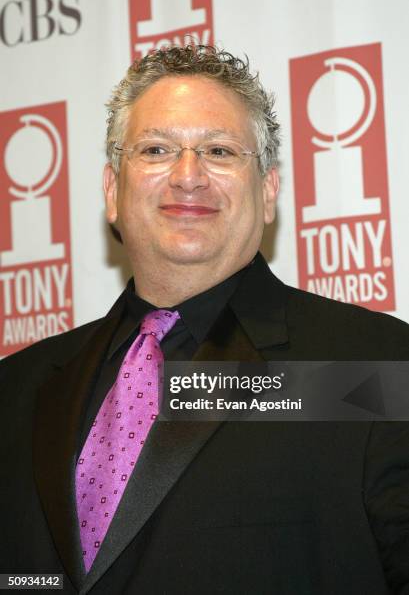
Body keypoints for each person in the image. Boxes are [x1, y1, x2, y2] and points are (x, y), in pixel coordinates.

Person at [1, 44, 409, 595]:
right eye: (155, 149)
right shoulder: (17, 387)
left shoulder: (372, 365)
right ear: (111, 192)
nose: (187, 176)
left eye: (218, 150)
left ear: (268, 193)